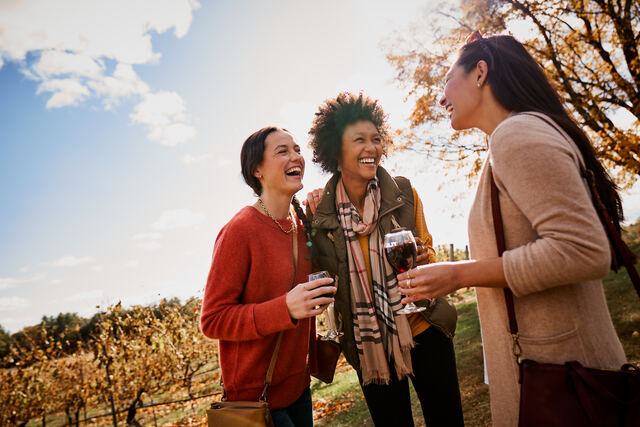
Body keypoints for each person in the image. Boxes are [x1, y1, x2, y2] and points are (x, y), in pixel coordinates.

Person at [397, 32, 627, 426]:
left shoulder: (516, 135)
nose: (440, 98)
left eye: (448, 79)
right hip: (557, 376)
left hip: (564, 384)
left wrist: (459, 274)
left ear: (480, 73)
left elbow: (583, 250)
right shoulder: (512, 138)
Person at [305, 92, 464, 426]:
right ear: (336, 149)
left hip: (423, 328)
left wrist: (423, 257)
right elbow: (318, 273)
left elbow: (429, 252)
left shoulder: (403, 190)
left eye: (376, 139)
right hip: (369, 346)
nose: (371, 148)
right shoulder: (321, 214)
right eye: (359, 140)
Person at [200, 127, 336, 427]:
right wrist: (284, 309)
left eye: (297, 149)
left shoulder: (301, 227)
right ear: (257, 170)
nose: (296, 156)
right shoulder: (240, 230)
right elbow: (212, 320)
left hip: (299, 387)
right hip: (255, 400)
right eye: (282, 151)